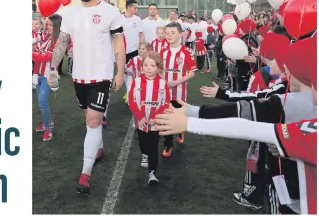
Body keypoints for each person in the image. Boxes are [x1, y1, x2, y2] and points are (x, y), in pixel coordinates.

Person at [156, 35, 317, 215]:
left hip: (293, 198)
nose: (286, 69)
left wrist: (192, 119)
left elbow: (245, 119)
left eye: (289, 65)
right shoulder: (291, 100)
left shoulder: (288, 103)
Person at [47, 0, 125, 195]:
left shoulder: (111, 12)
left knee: (93, 121)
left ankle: (85, 174)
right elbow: (62, 41)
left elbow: (118, 43)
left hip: (101, 77)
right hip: (79, 77)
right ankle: (98, 148)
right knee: (90, 120)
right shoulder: (70, 13)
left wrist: (119, 72)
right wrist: (53, 66)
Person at [129, 52, 171, 184]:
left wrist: (154, 116)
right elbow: (131, 100)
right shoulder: (136, 82)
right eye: (145, 65)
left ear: (158, 68)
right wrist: (140, 116)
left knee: (153, 146)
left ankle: (152, 173)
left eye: (152, 65)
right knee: (143, 142)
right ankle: (144, 155)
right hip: (140, 121)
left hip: (155, 122)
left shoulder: (163, 84)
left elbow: (165, 102)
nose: (148, 68)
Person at [161, 21, 197, 157]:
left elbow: (192, 72)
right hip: (164, 92)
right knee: (166, 117)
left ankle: (181, 130)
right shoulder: (163, 52)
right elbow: (159, 70)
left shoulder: (186, 52)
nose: (169, 35)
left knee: (177, 115)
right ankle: (168, 144)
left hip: (179, 92)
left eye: (172, 33)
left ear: (180, 34)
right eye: (167, 33)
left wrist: (175, 82)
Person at [33, 15, 61, 142]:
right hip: (37, 73)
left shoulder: (58, 40)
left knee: (42, 101)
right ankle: (48, 123)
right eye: (46, 24)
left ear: (56, 25)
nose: (47, 27)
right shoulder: (44, 36)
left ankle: (48, 128)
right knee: (42, 102)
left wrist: (32, 53)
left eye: (50, 25)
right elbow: (38, 50)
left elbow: (46, 57)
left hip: (48, 75)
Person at [122, 0, 141, 99]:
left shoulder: (137, 19)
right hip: (122, 51)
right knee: (125, 73)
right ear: (129, 7)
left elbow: (141, 34)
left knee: (135, 72)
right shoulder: (119, 19)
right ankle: (129, 93)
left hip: (134, 51)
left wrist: (141, 48)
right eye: (135, 7)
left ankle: (133, 93)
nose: (136, 10)